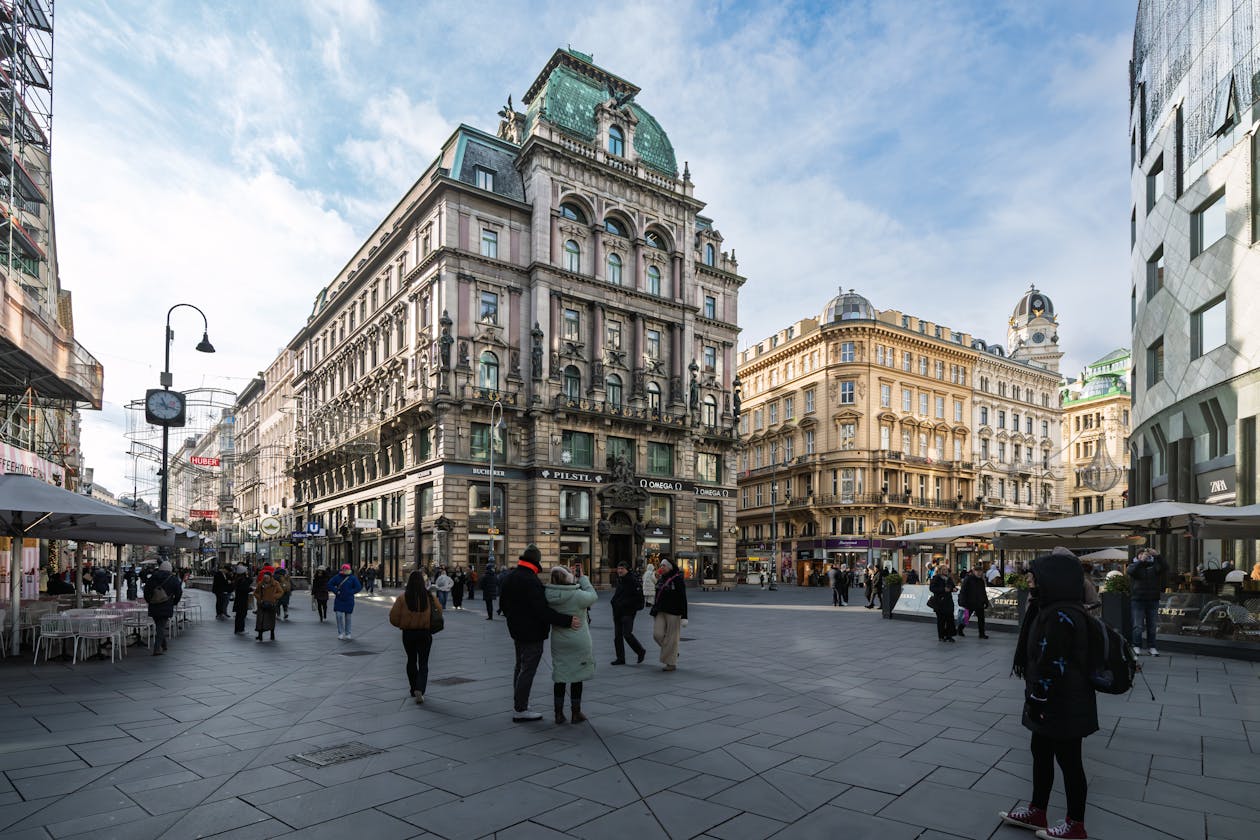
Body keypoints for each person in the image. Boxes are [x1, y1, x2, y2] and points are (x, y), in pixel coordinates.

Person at [999, 548, 1096, 840]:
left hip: (1063, 702)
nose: (1029, 579)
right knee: (1040, 752)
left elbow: (1055, 663)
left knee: (1069, 761)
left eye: (1034, 574)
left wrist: (1040, 699)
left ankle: (1075, 824)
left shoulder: (1062, 615)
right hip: (1047, 699)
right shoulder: (1046, 609)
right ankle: (1037, 809)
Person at [498, 545, 581, 722]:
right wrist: (566, 621)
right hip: (532, 633)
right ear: (536, 561)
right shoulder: (530, 580)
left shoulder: (510, 576)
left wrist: (514, 619)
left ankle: (519, 703)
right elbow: (541, 611)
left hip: (516, 631)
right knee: (527, 669)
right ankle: (520, 709)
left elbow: (503, 605)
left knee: (519, 667)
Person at [544, 565, 598, 723]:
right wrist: (584, 579)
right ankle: (576, 713)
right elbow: (593, 596)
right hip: (578, 639)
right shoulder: (577, 595)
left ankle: (558, 714)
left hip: (559, 641)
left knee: (560, 675)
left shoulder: (548, 595)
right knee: (577, 676)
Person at [389, 570, 442, 704]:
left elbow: (393, 617)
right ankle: (420, 688)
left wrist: (403, 624)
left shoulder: (402, 598)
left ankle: (413, 688)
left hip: (408, 633)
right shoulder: (430, 597)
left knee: (411, 660)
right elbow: (439, 611)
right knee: (423, 662)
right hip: (425, 633)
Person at [1127, 549, 1167, 656]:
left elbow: (1165, 567)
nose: (1144, 556)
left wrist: (1158, 556)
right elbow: (1130, 571)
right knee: (1138, 625)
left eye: (1146, 555)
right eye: (1141, 555)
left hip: (1153, 599)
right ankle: (1136, 646)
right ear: (1138, 556)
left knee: (1152, 625)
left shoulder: (1154, 566)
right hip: (1138, 600)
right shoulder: (1134, 565)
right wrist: (1141, 561)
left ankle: (1152, 647)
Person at [651, 557, 688, 672]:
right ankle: (673, 652)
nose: (661, 567)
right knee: (657, 634)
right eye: (661, 565)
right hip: (661, 610)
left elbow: (683, 597)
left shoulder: (677, 579)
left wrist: (684, 616)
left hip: (674, 612)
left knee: (672, 638)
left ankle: (671, 664)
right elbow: (658, 594)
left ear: (669, 567)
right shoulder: (661, 578)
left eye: (664, 565)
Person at [609, 560, 646, 665]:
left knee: (627, 634)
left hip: (628, 612)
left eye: (622, 569)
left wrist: (625, 604)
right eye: (618, 568)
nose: (619, 571)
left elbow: (638, 597)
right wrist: (614, 602)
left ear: (627, 570)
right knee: (617, 636)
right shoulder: (620, 579)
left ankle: (640, 651)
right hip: (617, 611)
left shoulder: (632, 581)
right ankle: (620, 658)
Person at [143, 559, 182, 655]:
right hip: (166, 605)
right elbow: (179, 593)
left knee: (159, 625)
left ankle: (163, 645)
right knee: (161, 626)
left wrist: (150, 601)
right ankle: (157, 648)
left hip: (154, 605)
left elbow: (146, 591)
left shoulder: (152, 578)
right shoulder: (173, 579)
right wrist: (174, 602)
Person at [328, 563, 363, 640]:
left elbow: (358, 587)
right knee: (338, 616)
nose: (345, 570)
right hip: (339, 599)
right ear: (342, 569)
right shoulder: (337, 577)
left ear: (349, 570)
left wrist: (351, 592)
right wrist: (336, 591)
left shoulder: (352, 578)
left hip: (349, 599)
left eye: (346, 569)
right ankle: (340, 633)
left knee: (348, 617)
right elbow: (329, 584)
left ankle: (348, 633)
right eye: (344, 569)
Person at [957, 565, 990, 639]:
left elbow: (983, 592)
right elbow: (963, 591)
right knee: (966, 618)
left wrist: (986, 601)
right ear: (974, 572)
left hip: (979, 603)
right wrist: (963, 602)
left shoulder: (981, 580)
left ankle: (982, 634)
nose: (979, 573)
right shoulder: (968, 579)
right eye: (977, 571)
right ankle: (960, 629)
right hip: (969, 603)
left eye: (980, 571)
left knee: (981, 619)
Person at [929, 564, 957, 642]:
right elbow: (932, 588)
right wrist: (943, 589)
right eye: (944, 569)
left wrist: (954, 589)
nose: (945, 571)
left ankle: (949, 635)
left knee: (950, 619)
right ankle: (941, 636)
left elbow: (952, 586)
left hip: (948, 601)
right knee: (941, 620)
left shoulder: (949, 578)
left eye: (946, 569)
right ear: (940, 570)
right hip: (939, 602)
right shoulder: (936, 578)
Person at [254, 570, 284, 642]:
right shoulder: (260, 584)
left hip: (271, 604)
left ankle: (272, 633)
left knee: (271, 620)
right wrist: (259, 598)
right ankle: (260, 635)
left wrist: (274, 596)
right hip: (262, 604)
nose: (266, 579)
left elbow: (281, 592)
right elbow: (256, 593)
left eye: (267, 577)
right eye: (265, 577)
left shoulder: (275, 584)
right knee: (260, 620)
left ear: (270, 577)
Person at [232, 565, 252, 634]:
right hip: (242, 600)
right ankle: (240, 629)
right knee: (241, 615)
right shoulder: (242, 580)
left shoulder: (237, 579)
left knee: (239, 615)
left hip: (239, 599)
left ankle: (237, 629)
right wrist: (250, 589)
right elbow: (245, 588)